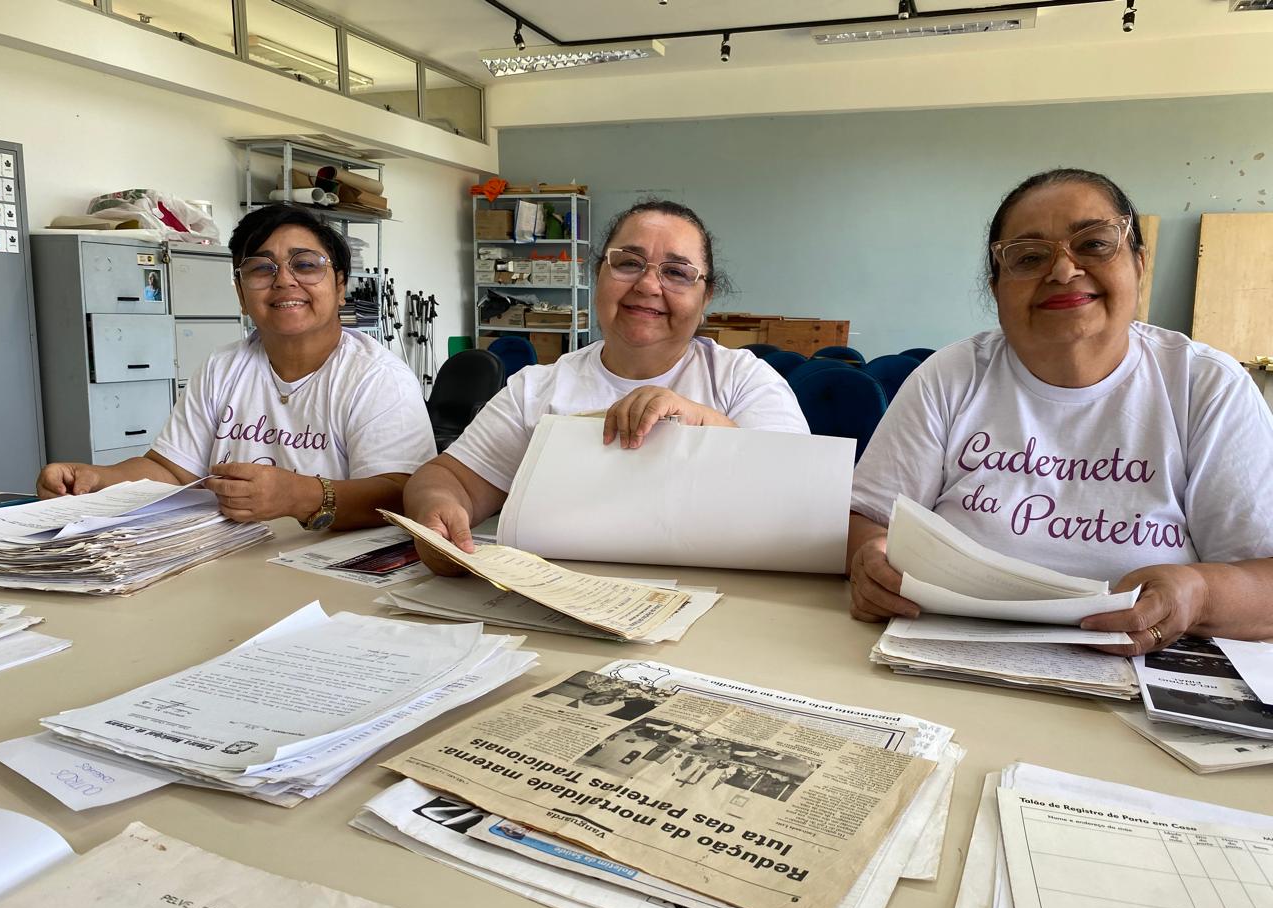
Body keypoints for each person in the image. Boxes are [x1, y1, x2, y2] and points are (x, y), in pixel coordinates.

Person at [847, 168, 1273, 656]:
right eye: (1029, 257)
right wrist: (869, 557)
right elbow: (869, 520)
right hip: (943, 655)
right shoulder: (952, 375)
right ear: (997, 287)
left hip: (1139, 669)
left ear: (1138, 262)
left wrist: (1198, 596)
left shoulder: (1205, 385)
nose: (1063, 271)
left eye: (1093, 245)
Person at [405, 198, 809, 566]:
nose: (649, 286)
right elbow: (448, 478)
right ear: (598, 274)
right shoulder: (537, 388)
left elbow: (799, 500)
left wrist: (699, 421)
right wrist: (438, 511)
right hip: (561, 600)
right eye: (628, 263)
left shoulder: (743, 380)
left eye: (677, 272)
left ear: (706, 298)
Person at [36, 204, 435, 530]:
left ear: (340, 285)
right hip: (234, 555)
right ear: (242, 295)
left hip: (328, 563)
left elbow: (399, 492)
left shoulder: (377, 378)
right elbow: (170, 469)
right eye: (262, 268)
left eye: (306, 265)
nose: (284, 281)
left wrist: (297, 496)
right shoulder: (223, 367)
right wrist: (97, 479)